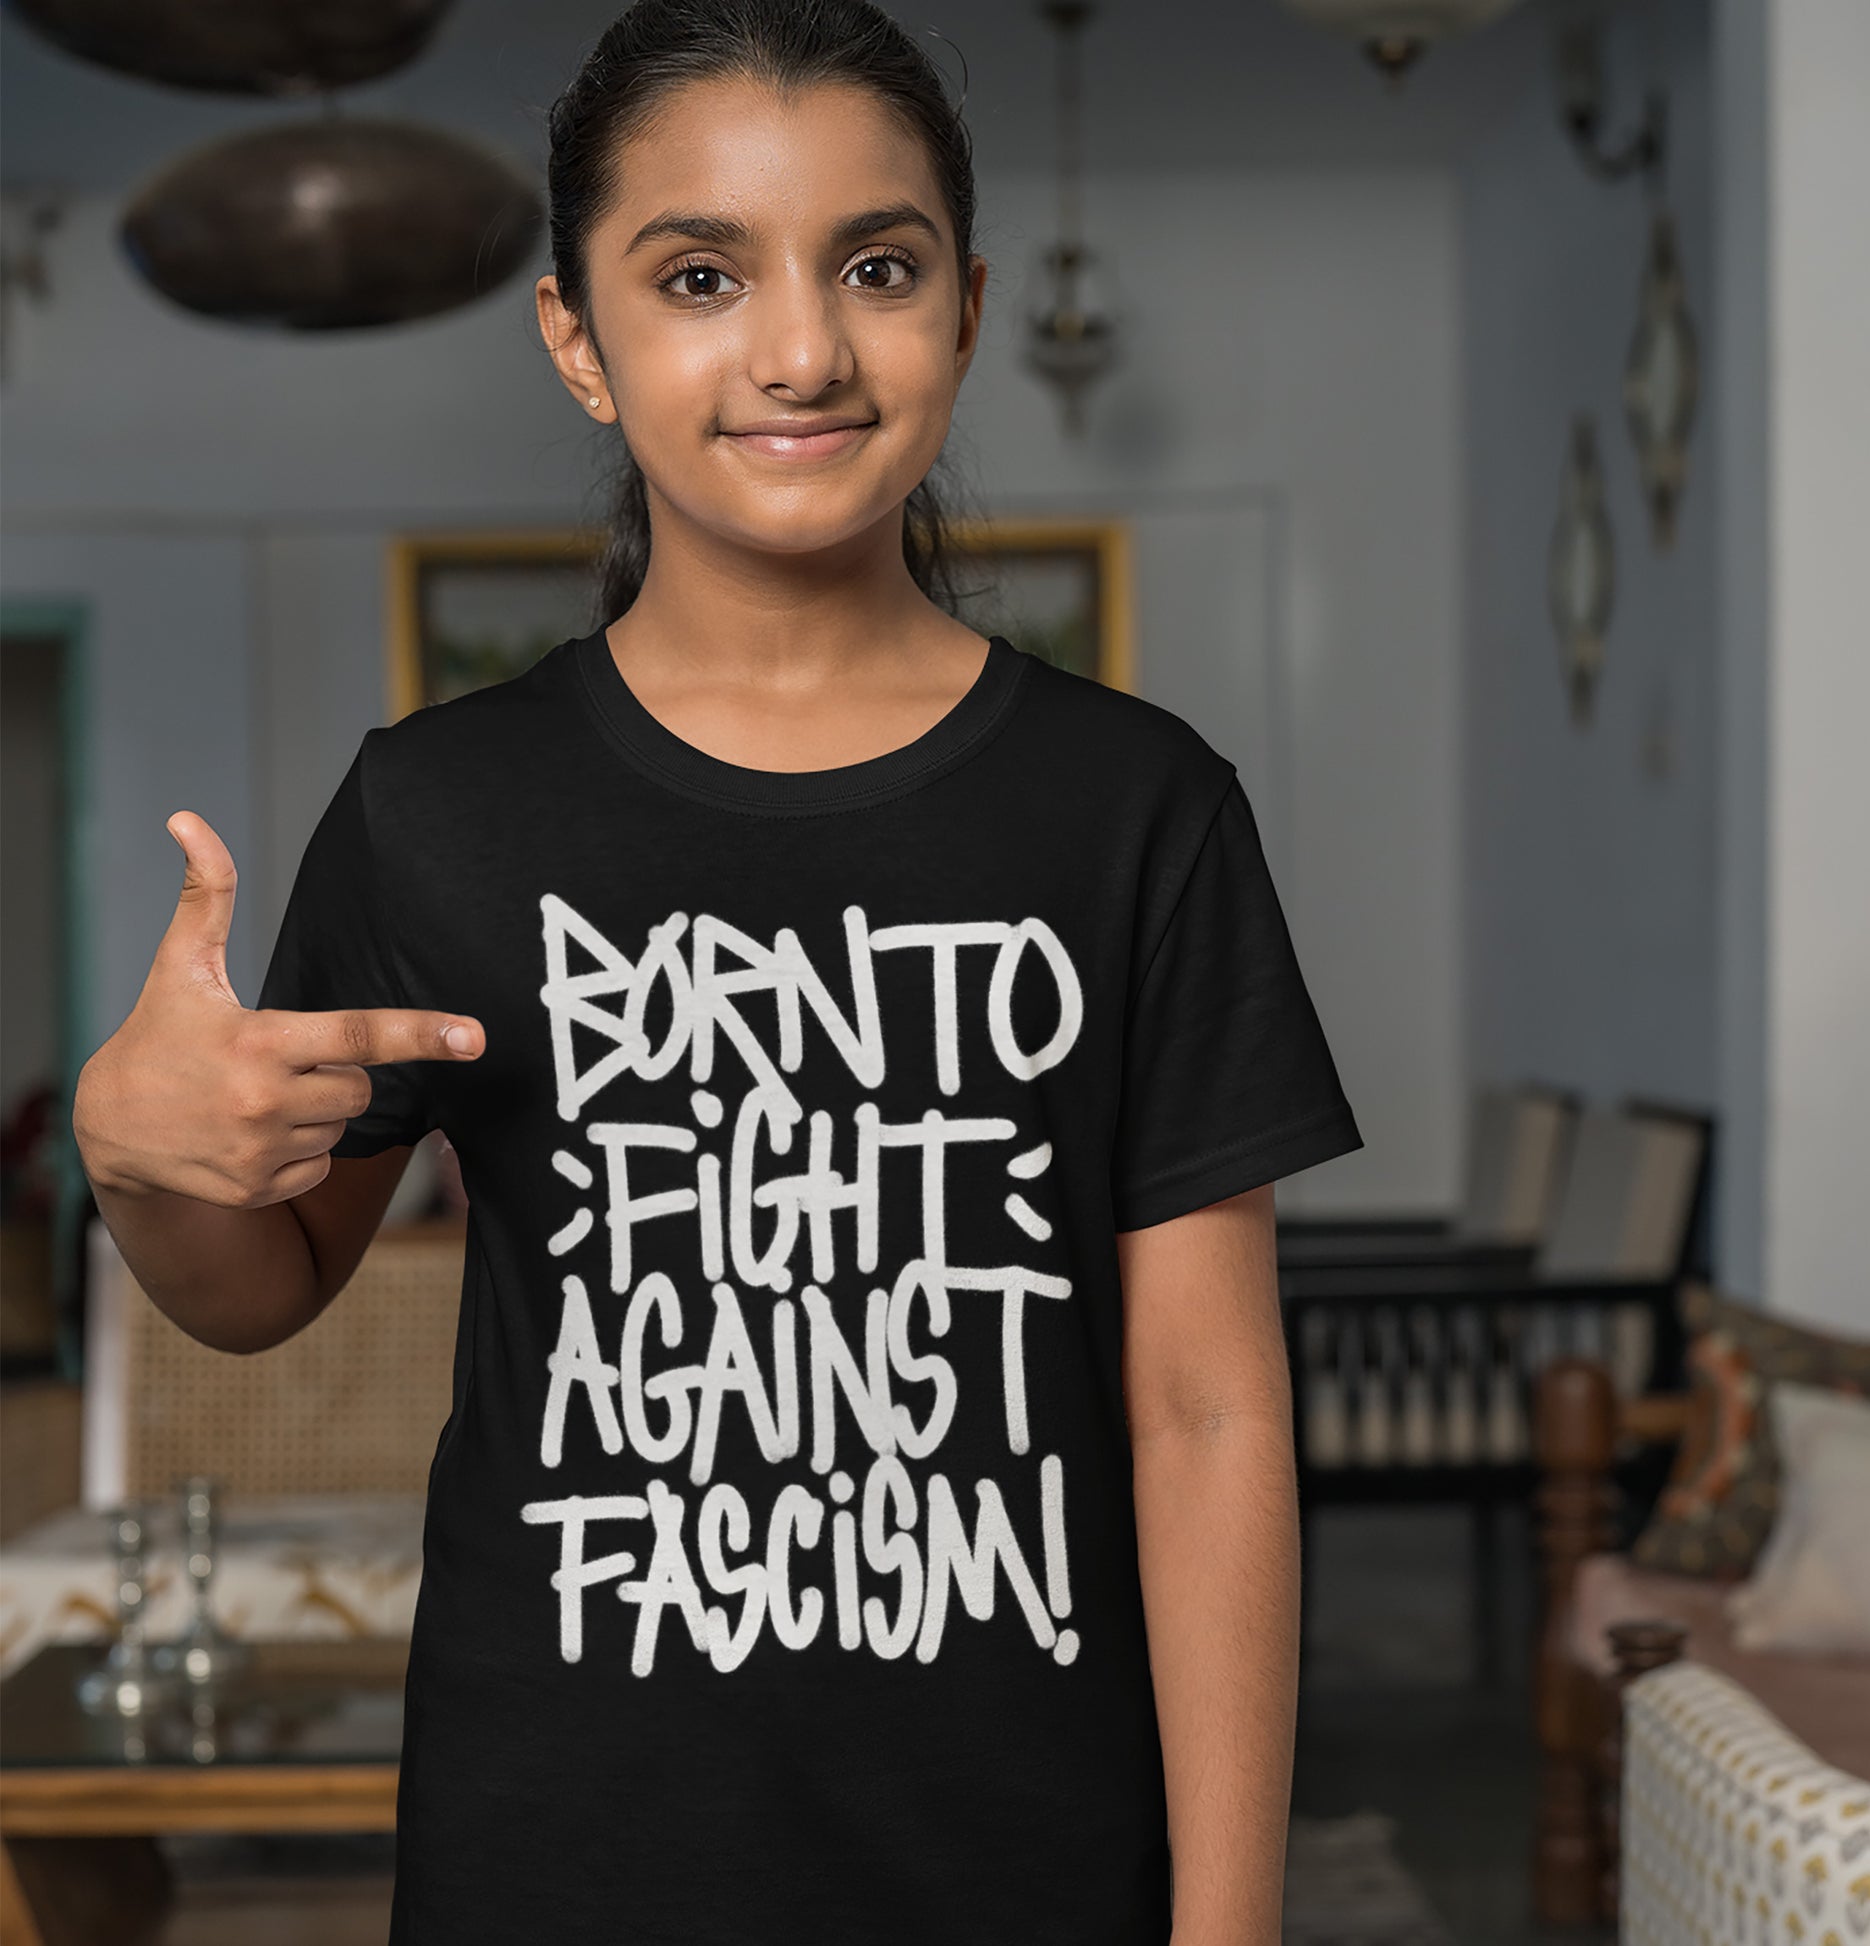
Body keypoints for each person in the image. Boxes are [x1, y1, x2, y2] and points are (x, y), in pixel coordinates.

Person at [71, 0, 1364, 1939]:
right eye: (697, 272)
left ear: (967, 305)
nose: (799, 348)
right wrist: (131, 1152)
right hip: (558, 1854)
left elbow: (1204, 1412)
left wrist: (1230, 1921)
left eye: (877, 263)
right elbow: (262, 1289)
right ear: (578, 342)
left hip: (1022, 1859)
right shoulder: (440, 811)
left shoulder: (1137, 812)